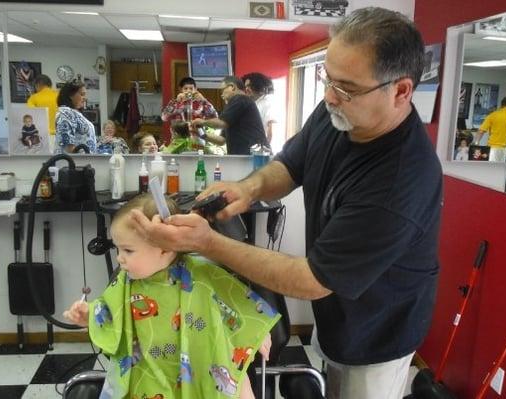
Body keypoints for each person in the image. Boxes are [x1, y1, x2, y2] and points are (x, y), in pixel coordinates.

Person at [130, 7, 443, 399]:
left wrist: (207, 243)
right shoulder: (340, 110)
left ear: (400, 91)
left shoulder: (400, 182)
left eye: (345, 88)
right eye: (327, 78)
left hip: (379, 335)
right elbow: (291, 165)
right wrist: (248, 189)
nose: (330, 95)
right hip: (337, 317)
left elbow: (312, 279)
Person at [63, 194, 277, 398]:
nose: (120, 258)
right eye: (117, 249)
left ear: (165, 248)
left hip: (201, 366)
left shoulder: (201, 274)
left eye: (128, 250)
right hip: (150, 373)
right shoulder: (125, 282)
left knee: (238, 385)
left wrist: (257, 335)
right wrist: (89, 314)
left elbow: (238, 305)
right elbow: (109, 311)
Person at [191, 76, 268, 155]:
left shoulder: (240, 98)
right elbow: (221, 140)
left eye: (222, 90)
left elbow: (221, 123)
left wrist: (202, 122)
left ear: (232, 87)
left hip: (253, 156)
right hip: (245, 156)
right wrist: (201, 133)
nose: (221, 95)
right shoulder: (235, 108)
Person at [55, 80, 96, 154]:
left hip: (83, 161)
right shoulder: (66, 113)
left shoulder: (75, 113)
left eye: (85, 95)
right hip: (74, 162)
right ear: (71, 95)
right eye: (82, 94)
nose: (84, 98)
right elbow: (68, 145)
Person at [242, 72, 277, 145]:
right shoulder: (256, 103)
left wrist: (266, 149)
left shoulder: (268, 101)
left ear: (259, 85)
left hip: (263, 151)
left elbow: (271, 130)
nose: (247, 89)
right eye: (245, 87)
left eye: (249, 86)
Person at [474, 96, 506, 162]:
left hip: (493, 148)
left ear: (502, 105)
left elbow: (481, 131)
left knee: (492, 169)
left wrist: (476, 144)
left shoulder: (493, 115)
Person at [27, 74, 58, 150]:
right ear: (49, 85)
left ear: (38, 85)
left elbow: (30, 118)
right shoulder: (59, 96)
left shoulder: (33, 98)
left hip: (42, 136)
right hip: (59, 135)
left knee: (43, 161)